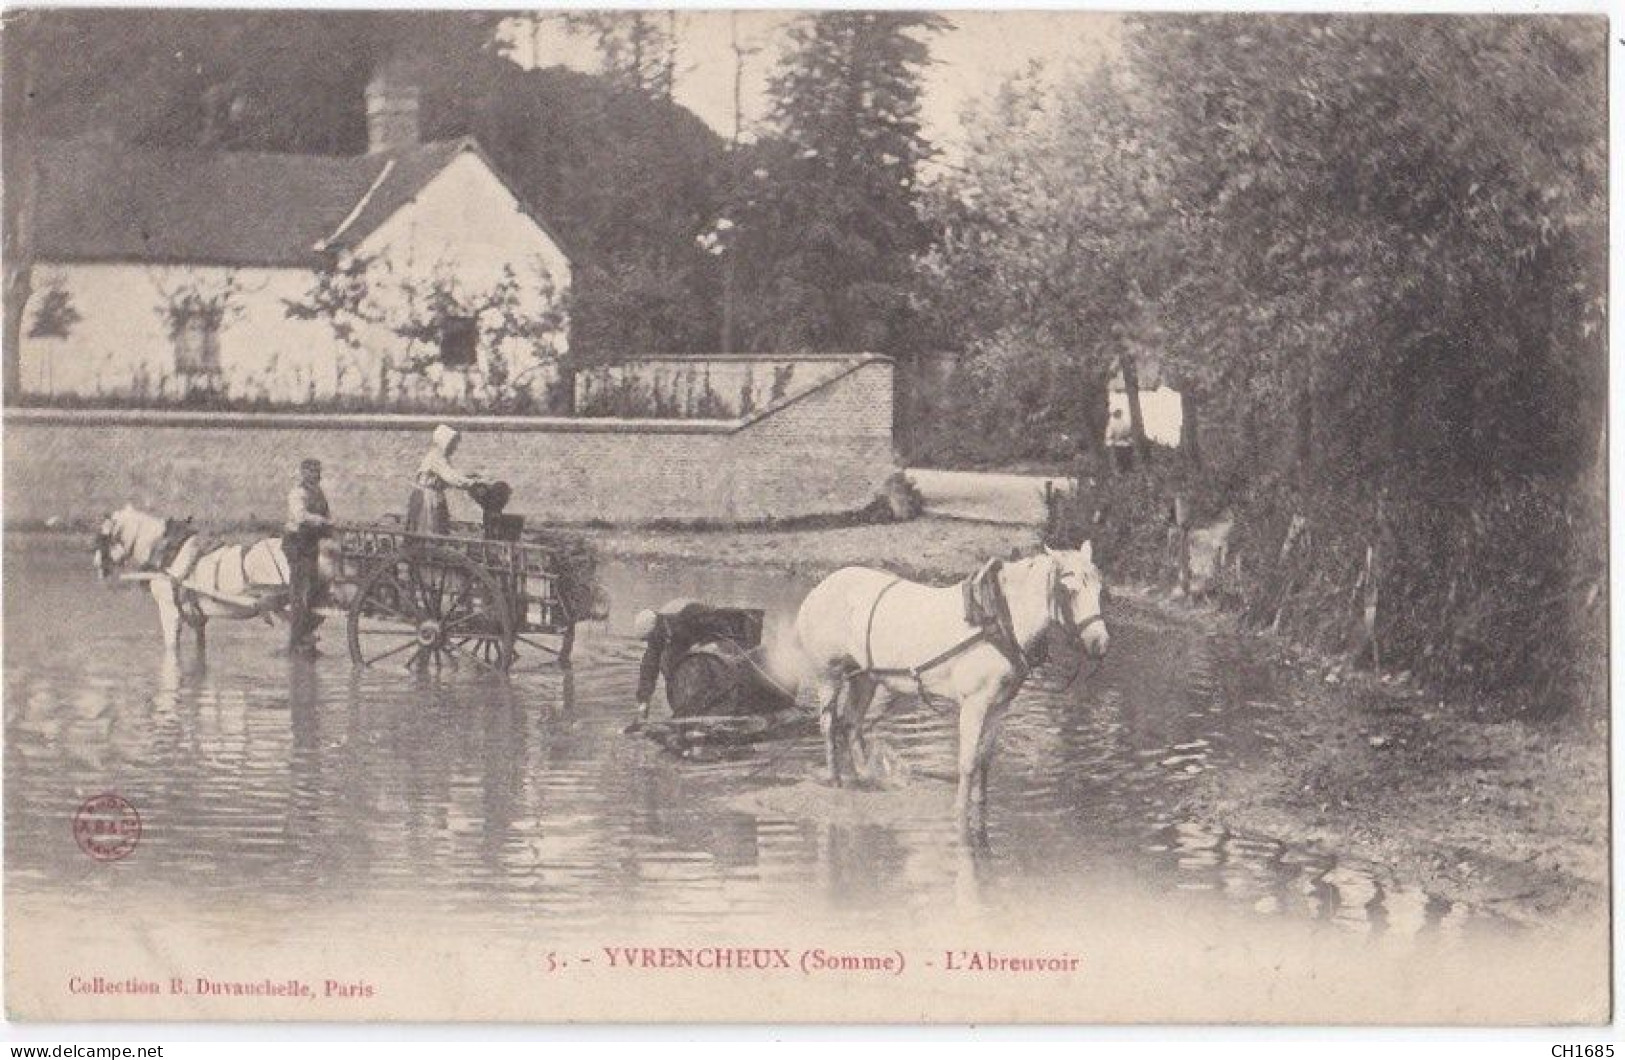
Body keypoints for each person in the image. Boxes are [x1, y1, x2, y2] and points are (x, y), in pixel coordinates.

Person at [631, 599, 712, 722]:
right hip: (685, 648)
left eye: (649, 638)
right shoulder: (657, 637)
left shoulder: (683, 619)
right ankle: (685, 704)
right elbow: (648, 670)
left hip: (704, 634)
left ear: (655, 627)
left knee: (670, 659)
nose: (649, 642)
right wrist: (643, 702)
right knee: (666, 660)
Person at [284, 458, 333, 655]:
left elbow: (327, 513)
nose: (316, 475)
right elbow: (300, 516)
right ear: (304, 473)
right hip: (297, 544)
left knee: (317, 588)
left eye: (318, 471)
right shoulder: (298, 493)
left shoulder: (318, 493)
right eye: (312, 471)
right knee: (301, 590)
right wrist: (323, 521)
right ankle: (296, 640)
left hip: (311, 544)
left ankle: (308, 632)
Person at [407, 424, 482, 534]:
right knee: (429, 526)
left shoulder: (440, 457)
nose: (455, 447)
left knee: (435, 524)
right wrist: (473, 483)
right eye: (452, 444)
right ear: (444, 442)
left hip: (433, 495)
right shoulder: (436, 457)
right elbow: (451, 477)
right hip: (427, 498)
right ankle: (429, 546)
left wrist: (468, 476)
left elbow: (450, 475)